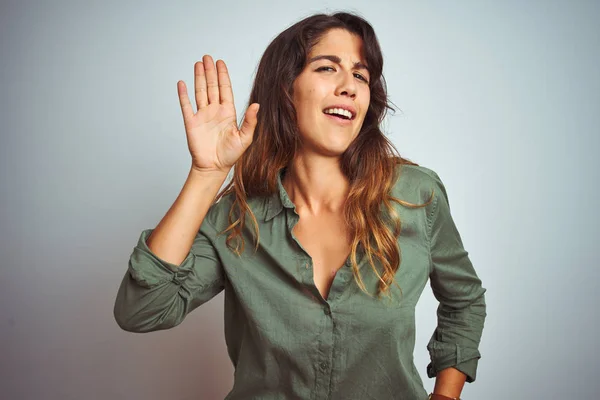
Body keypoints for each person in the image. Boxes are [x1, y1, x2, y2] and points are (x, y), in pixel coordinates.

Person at [113, 11, 486, 400]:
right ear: (286, 89)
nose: (350, 87)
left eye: (360, 75)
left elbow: (465, 300)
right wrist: (207, 174)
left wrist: (446, 396)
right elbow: (141, 310)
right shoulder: (237, 220)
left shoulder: (414, 195)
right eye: (328, 68)